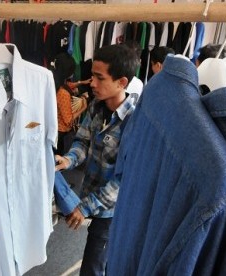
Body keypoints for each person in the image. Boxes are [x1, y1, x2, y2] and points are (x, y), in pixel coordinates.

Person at [54, 44, 139, 276]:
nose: (91, 83)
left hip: (114, 210)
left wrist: (85, 207)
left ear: (121, 82)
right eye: (92, 76)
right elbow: (82, 141)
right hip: (92, 194)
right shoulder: (96, 107)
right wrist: (68, 160)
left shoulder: (135, 122)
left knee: (93, 267)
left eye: (99, 78)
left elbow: (125, 180)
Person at [50, 52, 90, 155]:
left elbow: (68, 84)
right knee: (58, 158)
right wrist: (83, 108)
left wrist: (81, 82)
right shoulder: (63, 93)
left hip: (53, 128)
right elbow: (68, 120)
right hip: (60, 133)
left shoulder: (53, 80)